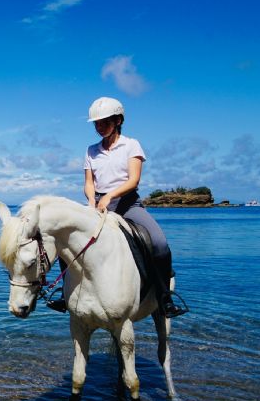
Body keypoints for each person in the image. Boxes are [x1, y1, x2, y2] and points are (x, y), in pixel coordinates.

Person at [47, 97, 187, 318]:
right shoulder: (91, 150)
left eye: (104, 122)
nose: (99, 127)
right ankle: (66, 296)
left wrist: (110, 196)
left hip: (127, 204)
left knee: (159, 243)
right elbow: (89, 182)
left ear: (118, 120)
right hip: (98, 204)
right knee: (67, 244)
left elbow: (133, 180)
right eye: (96, 123)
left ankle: (163, 298)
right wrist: (92, 201)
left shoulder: (132, 145)